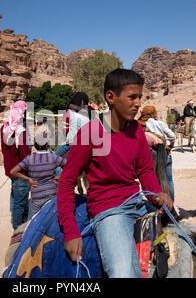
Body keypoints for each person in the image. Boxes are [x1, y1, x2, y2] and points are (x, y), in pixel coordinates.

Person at [57, 68, 173, 278]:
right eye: (132, 97)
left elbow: (145, 169)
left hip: (137, 201)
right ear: (111, 97)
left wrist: (156, 194)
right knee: (123, 274)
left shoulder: (136, 129)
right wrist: (71, 232)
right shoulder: (90, 134)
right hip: (109, 211)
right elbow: (66, 183)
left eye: (140, 97)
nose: (138, 103)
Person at [10, 132, 66, 220]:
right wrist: (60, 177)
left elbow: (13, 171)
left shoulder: (29, 159)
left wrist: (28, 179)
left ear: (35, 145)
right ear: (47, 145)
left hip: (36, 197)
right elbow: (70, 165)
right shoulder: (53, 157)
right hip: (52, 194)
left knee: (31, 223)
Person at [1, 101, 31, 229]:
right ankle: (18, 229)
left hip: (11, 170)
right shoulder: (20, 131)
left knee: (14, 196)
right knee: (20, 202)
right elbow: (25, 156)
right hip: (21, 172)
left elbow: (4, 150)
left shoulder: (4, 128)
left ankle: (14, 219)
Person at [139, 106, 176, 201]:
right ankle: (171, 203)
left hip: (151, 155)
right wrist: (171, 146)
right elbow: (172, 136)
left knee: (154, 181)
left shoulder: (140, 125)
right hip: (165, 154)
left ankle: (157, 204)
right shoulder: (159, 123)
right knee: (169, 180)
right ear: (152, 114)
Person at [55, 92, 91, 158]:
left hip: (71, 142)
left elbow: (65, 130)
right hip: (86, 143)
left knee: (54, 157)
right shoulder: (89, 114)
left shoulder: (69, 112)